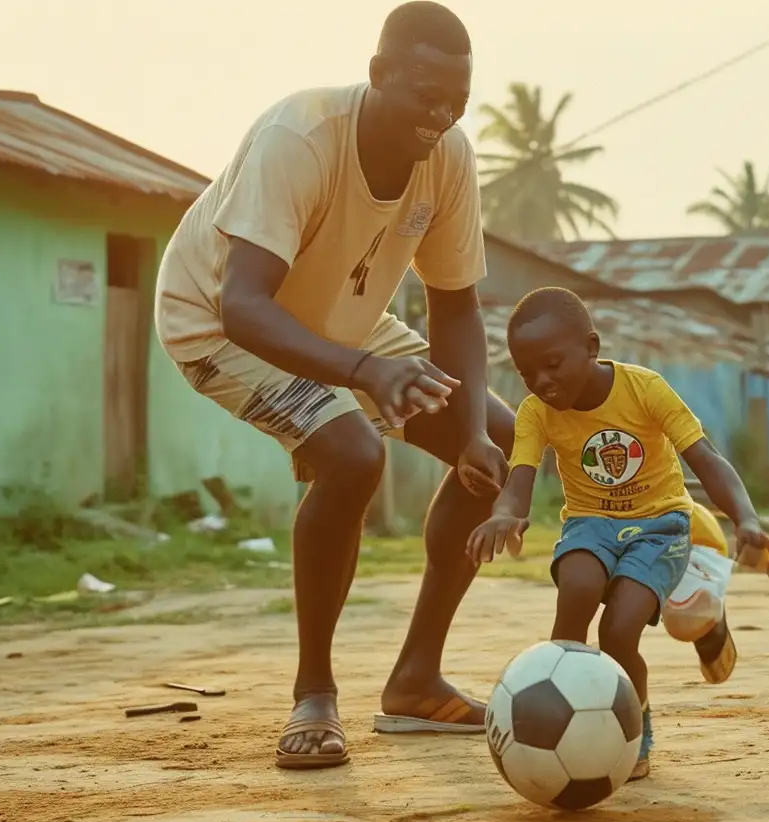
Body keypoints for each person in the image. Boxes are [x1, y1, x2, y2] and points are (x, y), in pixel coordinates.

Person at [155, 2, 513, 772]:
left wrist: (472, 437)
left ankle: (416, 680)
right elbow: (243, 304)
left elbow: (456, 305)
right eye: (425, 94)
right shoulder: (301, 136)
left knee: (497, 431)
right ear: (379, 74)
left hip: (341, 325)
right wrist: (363, 373)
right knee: (352, 454)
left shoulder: (448, 155)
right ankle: (313, 694)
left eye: (457, 101)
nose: (441, 116)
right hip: (216, 321)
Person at [468, 288, 769, 779]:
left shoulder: (645, 389)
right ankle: (554, 720)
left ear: (591, 347)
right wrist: (505, 513)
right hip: (590, 525)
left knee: (618, 631)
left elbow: (707, 459)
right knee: (577, 591)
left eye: (552, 365)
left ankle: (635, 731)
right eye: (528, 374)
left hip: (662, 527)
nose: (542, 383)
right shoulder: (536, 412)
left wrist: (747, 518)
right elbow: (520, 477)